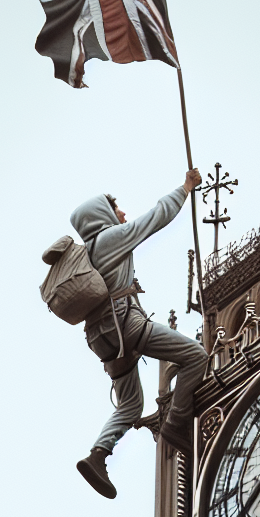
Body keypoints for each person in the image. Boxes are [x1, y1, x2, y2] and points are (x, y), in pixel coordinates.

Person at [71, 169, 208, 499]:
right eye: (117, 209)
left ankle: (98, 455)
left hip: (103, 341)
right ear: (102, 214)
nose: (123, 214)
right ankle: (176, 423)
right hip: (127, 328)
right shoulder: (109, 239)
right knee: (195, 356)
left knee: (130, 406)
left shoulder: (85, 254)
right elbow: (156, 218)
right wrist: (186, 188)